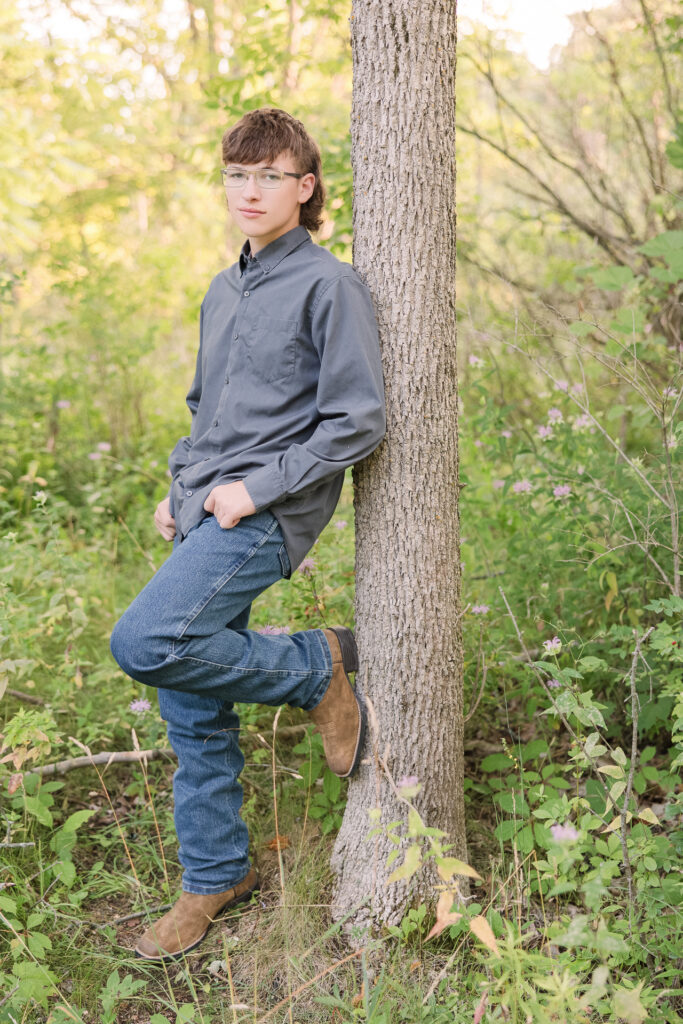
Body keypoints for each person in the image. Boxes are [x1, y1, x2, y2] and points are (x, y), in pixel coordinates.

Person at [109, 107, 386, 963]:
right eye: (237, 175)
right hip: (203, 508)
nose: (250, 191)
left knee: (145, 640)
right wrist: (179, 487)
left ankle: (316, 666)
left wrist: (251, 490)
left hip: (268, 513)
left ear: (305, 189)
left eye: (269, 175)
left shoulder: (329, 285)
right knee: (191, 703)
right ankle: (215, 876)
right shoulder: (221, 289)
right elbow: (205, 412)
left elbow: (357, 419)